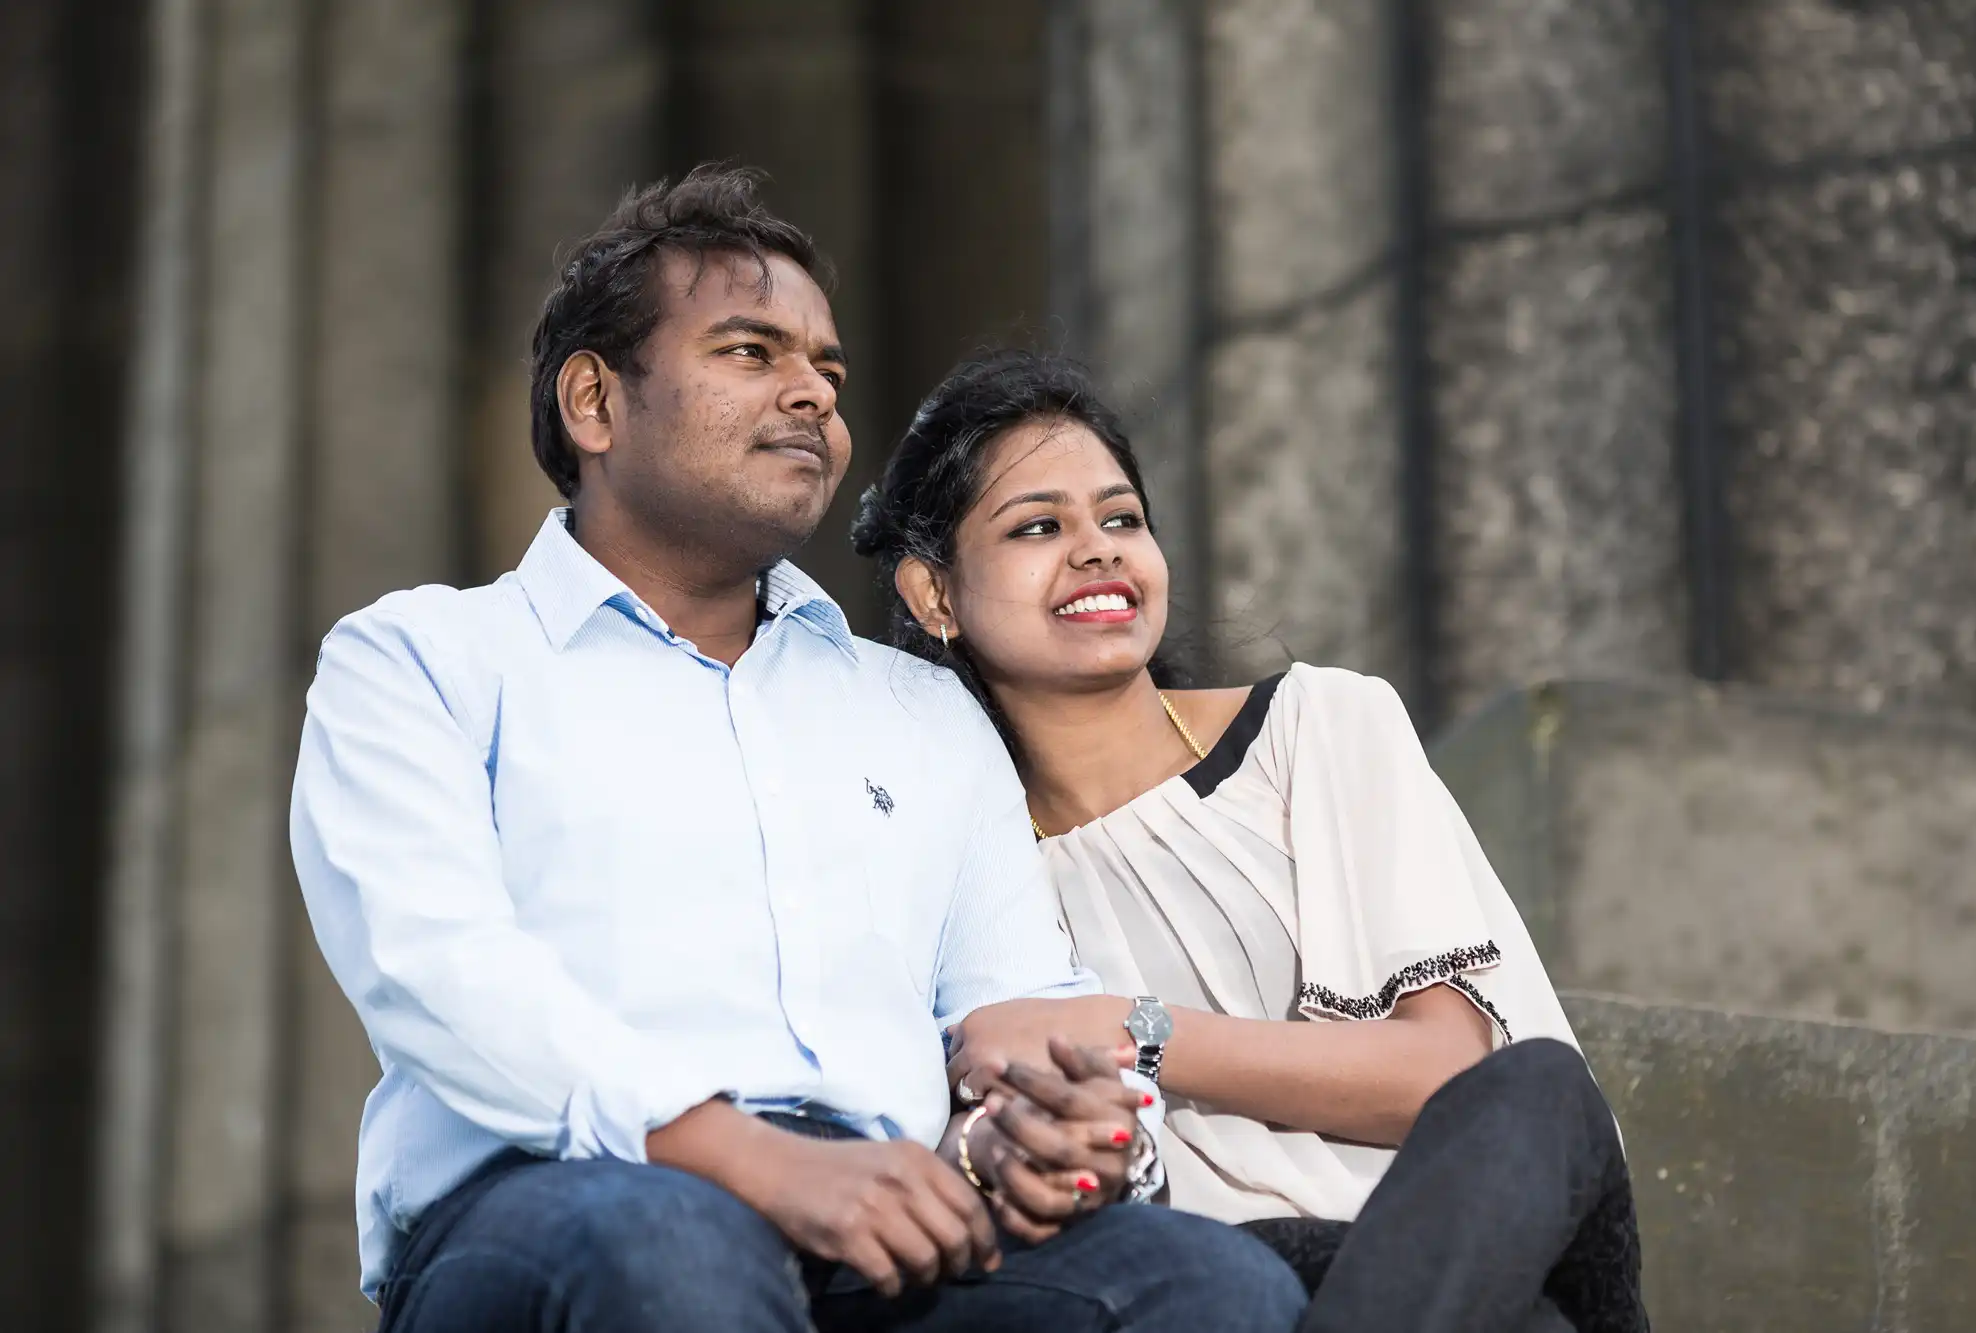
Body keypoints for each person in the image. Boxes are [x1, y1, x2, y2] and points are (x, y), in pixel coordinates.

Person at [290, 169, 1307, 1333]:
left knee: (1206, 1285)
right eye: (748, 352)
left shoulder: (917, 713)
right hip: (551, 1206)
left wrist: (1050, 1128)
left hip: (885, 1220)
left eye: (826, 370)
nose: (812, 397)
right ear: (593, 402)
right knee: (676, 1245)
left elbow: (1016, 1003)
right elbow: (437, 968)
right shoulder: (424, 657)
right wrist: (752, 1163)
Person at [850, 350, 1650, 1333]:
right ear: (933, 595)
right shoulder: (965, 885)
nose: (1098, 549)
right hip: (1226, 1290)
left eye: (1121, 518)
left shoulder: (1320, 726)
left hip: (1472, 1241)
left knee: (1538, 1089)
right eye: (1038, 526)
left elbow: (1445, 1074)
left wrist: (1134, 1028)